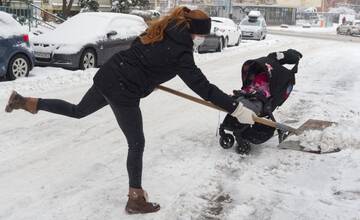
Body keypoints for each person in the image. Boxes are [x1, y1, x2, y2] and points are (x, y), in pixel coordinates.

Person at [5, 6, 255, 214]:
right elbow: (204, 88)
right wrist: (235, 108)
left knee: (78, 110)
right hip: (124, 89)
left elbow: (139, 50)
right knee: (136, 143)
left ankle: (28, 102)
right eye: (201, 36)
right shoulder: (181, 53)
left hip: (110, 75)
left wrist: (149, 77)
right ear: (194, 33)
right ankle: (135, 198)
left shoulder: (164, 30)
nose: (200, 39)